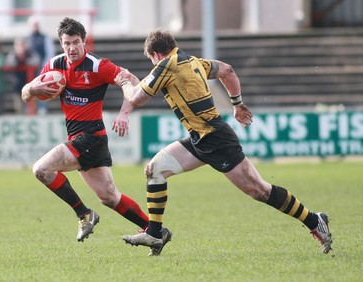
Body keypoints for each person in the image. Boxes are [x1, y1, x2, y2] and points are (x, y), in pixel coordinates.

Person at [114, 29, 333, 256]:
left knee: (259, 190)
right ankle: (155, 234)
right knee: (155, 170)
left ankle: (315, 220)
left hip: (216, 139)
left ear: (156, 55)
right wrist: (237, 103)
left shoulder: (166, 65)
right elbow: (227, 70)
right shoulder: (194, 61)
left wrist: (125, 82)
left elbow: (135, 97)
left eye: (150, 59)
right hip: (199, 138)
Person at [21, 17, 149, 243]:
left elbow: (132, 81)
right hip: (84, 140)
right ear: (61, 44)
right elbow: (25, 94)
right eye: (67, 43)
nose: (72, 48)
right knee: (110, 197)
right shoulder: (54, 66)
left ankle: (83, 213)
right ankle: (153, 229)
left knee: (41, 169)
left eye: (76, 42)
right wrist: (32, 88)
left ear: (84, 42)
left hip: (90, 138)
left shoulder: (98, 66)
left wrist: (124, 112)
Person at [27, 16, 56, 115]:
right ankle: (31, 109)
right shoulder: (27, 39)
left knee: (42, 88)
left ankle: (42, 109)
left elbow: (50, 53)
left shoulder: (45, 38)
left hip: (41, 69)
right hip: (30, 70)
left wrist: (44, 66)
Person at [5, 37, 41, 114]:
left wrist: (25, 60)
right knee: (19, 108)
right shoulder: (13, 55)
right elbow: (9, 63)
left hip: (31, 87)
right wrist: (18, 59)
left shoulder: (31, 54)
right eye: (18, 45)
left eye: (22, 45)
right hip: (18, 86)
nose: (20, 47)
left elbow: (36, 61)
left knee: (32, 108)